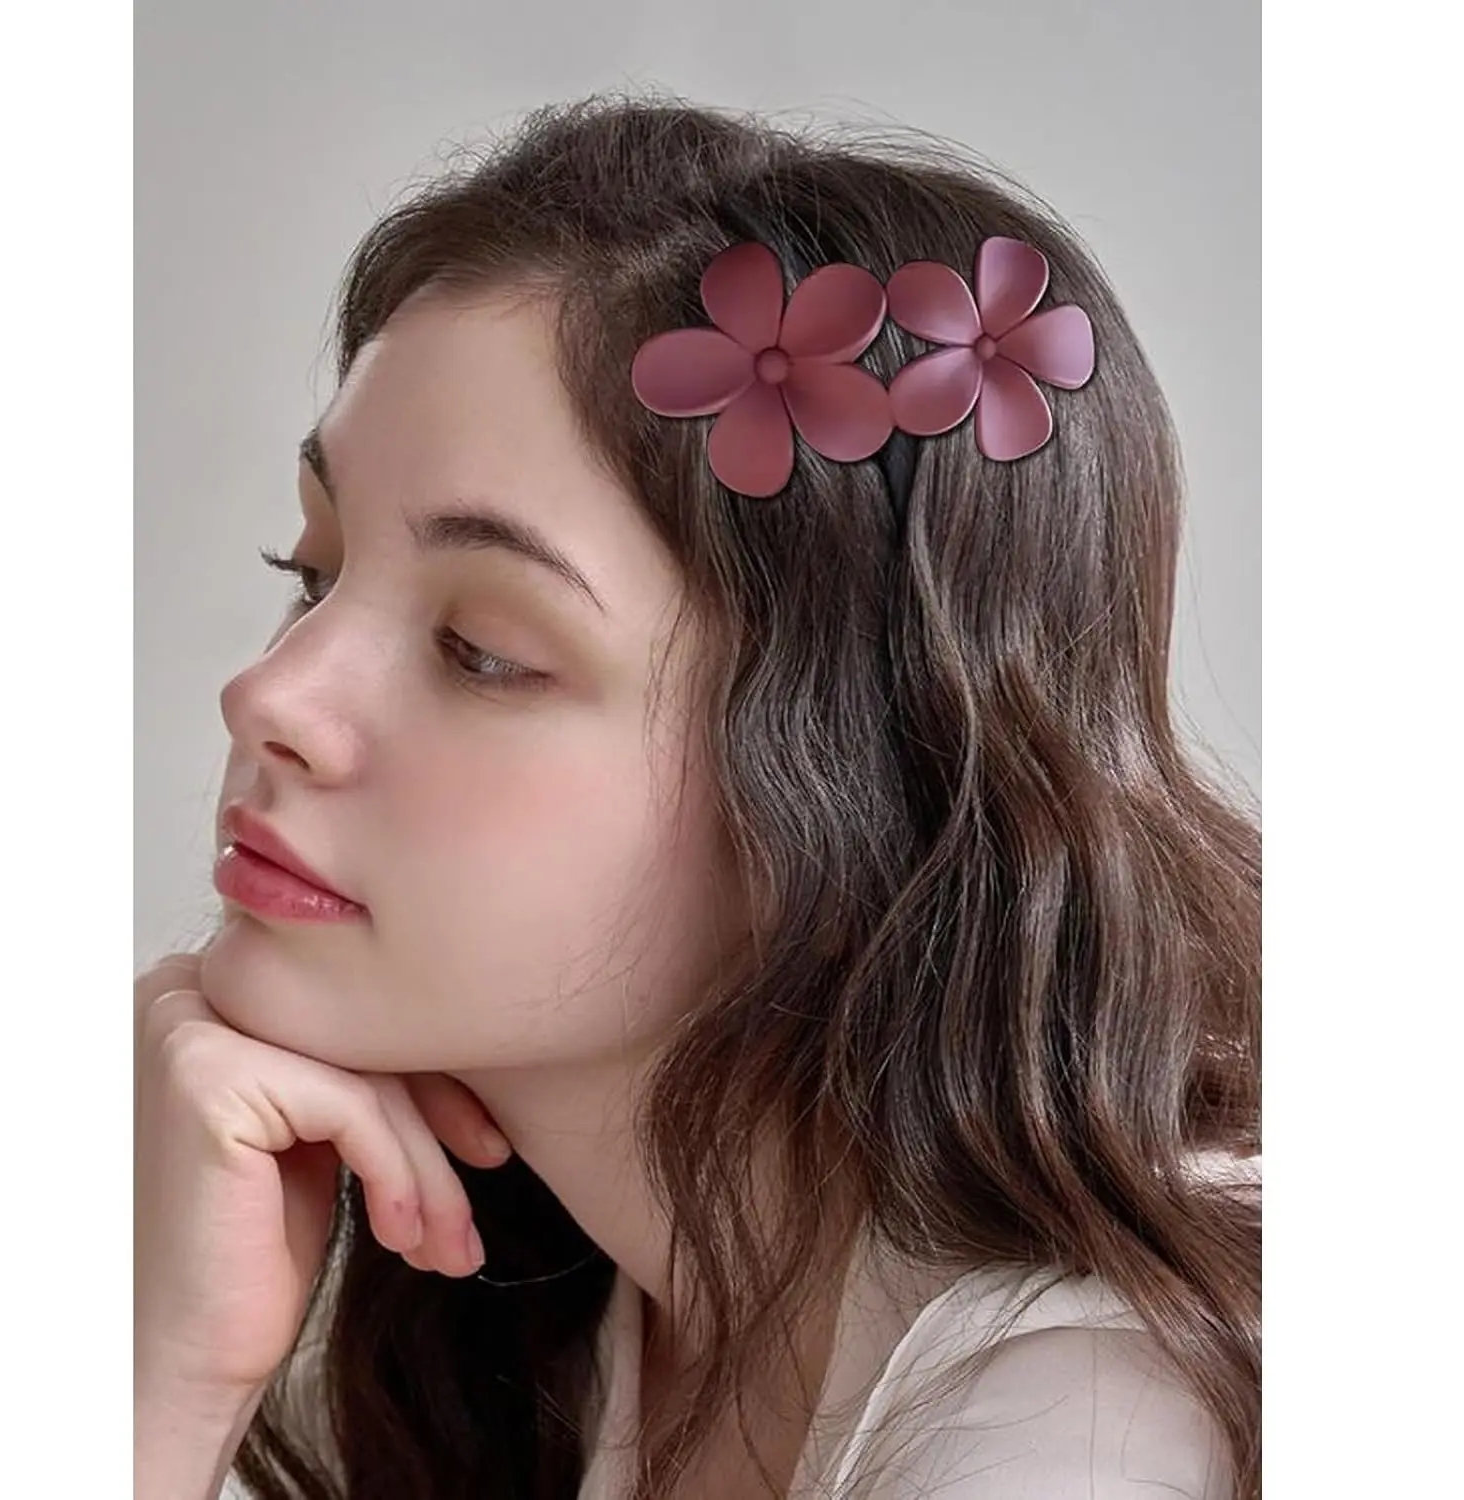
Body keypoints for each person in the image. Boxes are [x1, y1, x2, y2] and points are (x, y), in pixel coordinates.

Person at [133, 92, 1261, 1500]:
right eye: (315, 573)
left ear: (851, 790)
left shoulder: (1081, 1427)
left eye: (482, 650)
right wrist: (163, 1371)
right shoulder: (517, 1311)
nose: (269, 695)